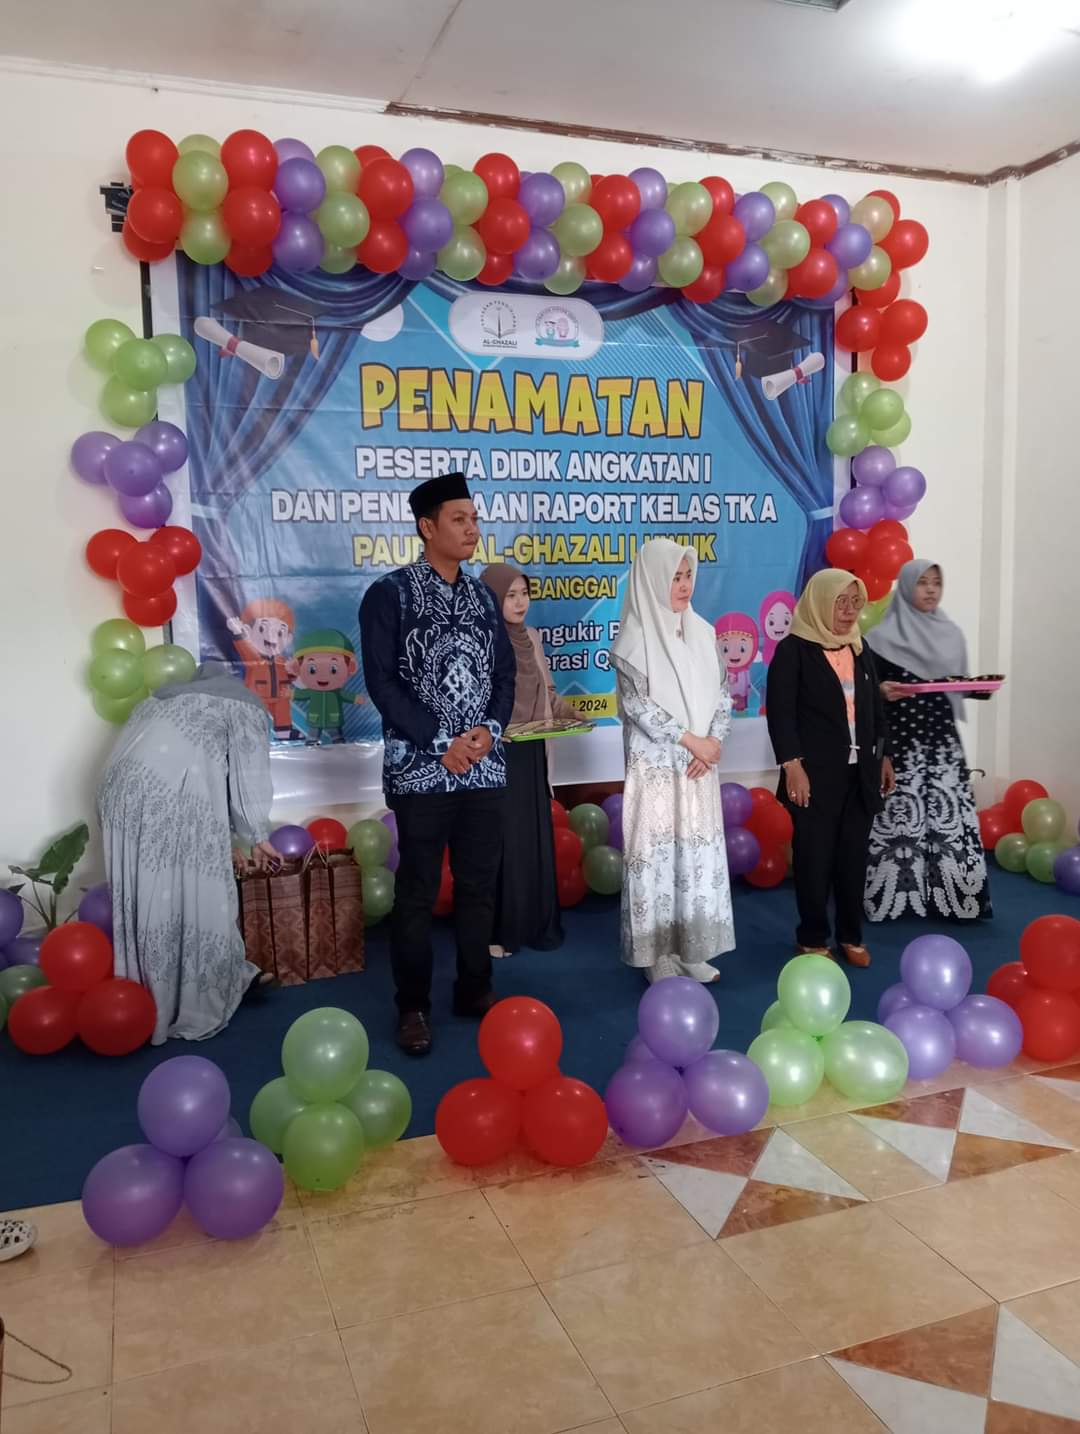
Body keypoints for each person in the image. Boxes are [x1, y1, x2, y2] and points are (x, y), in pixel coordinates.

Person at [360, 474, 514, 1056]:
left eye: (474, 519)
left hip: (484, 766)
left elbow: (504, 675)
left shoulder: (482, 597)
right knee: (418, 893)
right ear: (427, 527)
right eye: (459, 519)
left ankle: (475, 988)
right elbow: (383, 683)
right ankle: (413, 1007)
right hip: (421, 771)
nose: (472, 529)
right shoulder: (390, 595)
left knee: (478, 886)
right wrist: (441, 741)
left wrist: (489, 729)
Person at [97, 665, 278, 1045]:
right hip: (167, 794)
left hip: (117, 794)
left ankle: (149, 995)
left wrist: (233, 841)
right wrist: (258, 834)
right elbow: (248, 774)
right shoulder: (242, 704)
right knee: (203, 892)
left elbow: (204, 770)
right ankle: (190, 1001)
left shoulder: (162, 700)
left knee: (151, 895)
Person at [612, 539, 735, 983]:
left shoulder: (702, 632)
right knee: (659, 858)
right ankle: (658, 955)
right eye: (674, 577)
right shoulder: (633, 641)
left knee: (695, 859)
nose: (683, 586)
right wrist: (693, 742)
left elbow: (723, 695)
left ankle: (691, 948)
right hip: (658, 770)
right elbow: (639, 707)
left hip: (700, 767)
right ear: (652, 581)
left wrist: (713, 741)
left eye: (687, 576)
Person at [766, 569, 895, 967]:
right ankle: (812, 937)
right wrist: (792, 766)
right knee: (814, 859)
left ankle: (851, 936)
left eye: (855, 603)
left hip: (861, 773)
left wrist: (884, 755)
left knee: (852, 859)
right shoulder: (794, 651)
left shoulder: (859, 647)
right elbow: (782, 715)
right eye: (840, 602)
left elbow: (874, 710)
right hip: (814, 775)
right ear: (820, 602)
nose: (849, 611)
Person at [864, 560, 991, 921]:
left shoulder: (950, 633)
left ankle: (953, 897)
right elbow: (863, 689)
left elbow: (956, 684)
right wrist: (880, 691)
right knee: (900, 815)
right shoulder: (879, 639)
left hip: (942, 741)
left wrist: (977, 688)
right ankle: (896, 898)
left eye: (937, 582)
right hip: (900, 742)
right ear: (906, 587)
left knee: (947, 815)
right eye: (922, 582)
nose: (931, 589)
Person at [480, 563, 583, 957]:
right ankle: (500, 931)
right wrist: (494, 730)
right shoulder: (482, 641)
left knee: (533, 837)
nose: (520, 602)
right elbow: (474, 702)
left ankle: (537, 925)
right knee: (503, 841)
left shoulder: (533, 638)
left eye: (524, 594)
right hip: (498, 753)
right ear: (493, 598)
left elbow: (549, 692)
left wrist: (573, 714)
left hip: (533, 750)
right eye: (510, 595)